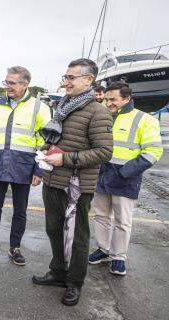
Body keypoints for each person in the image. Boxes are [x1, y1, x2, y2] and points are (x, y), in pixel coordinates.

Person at [32, 58, 113, 306]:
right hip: (53, 180)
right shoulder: (63, 106)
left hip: (77, 185)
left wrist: (64, 159)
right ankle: (58, 272)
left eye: (71, 77)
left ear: (89, 80)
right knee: (54, 230)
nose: (65, 81)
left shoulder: (98, 111)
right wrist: (46, 150)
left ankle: (74, 283)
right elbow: (62, 139)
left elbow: (104, 152)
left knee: (77, 237)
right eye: (65, 77)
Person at [0, 66, 51, 266]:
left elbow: (45, 142)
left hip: (23, 166)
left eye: (11, 83)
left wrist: (39, 170)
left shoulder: (40, 108)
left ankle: (14, 247)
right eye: (6, 82)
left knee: (20, 210)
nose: (7, 86)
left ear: (25, 84)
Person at [89, 82, 163, 275]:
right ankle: (103, 250)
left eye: (113, 99)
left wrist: (125, 172)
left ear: (127, 98)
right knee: (101, 216)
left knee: (122, 221)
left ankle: (118, 257)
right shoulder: (103, 115)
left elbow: (154, 151)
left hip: (126, 176)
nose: (108, 102)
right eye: (106, 99)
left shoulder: (144, 119)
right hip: (102, 173)